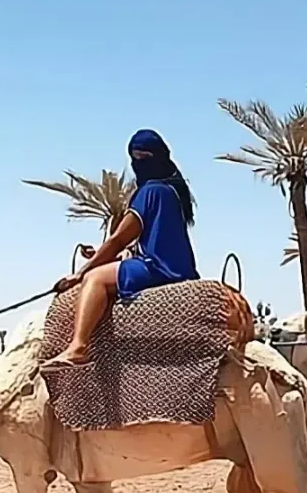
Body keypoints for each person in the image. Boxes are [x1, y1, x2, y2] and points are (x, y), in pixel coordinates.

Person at [40, 129, 200, 372]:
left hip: (159, 269)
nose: (137, 165)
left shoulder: (150, 192)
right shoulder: (173, 191)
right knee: (102, 270)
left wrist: (80, 273)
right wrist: (99, 256)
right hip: (178, 267)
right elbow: (140, 242)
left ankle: (78, 347)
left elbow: (118, 239)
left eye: (141, 158)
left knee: (95, 279)